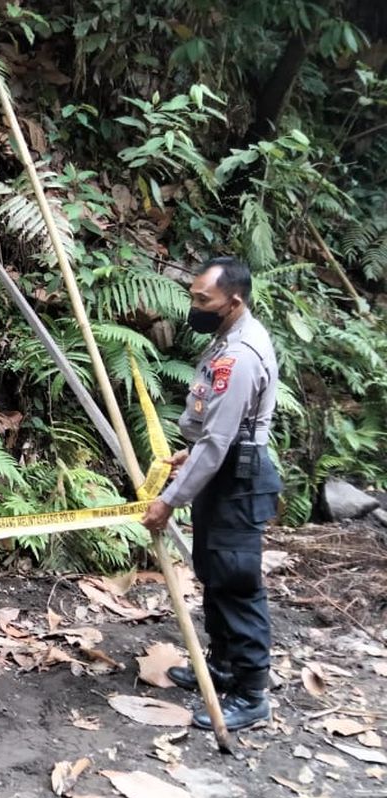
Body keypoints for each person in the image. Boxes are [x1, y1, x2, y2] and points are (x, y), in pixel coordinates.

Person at [141, 256, 282, 732]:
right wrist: (191, 460)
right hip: (218, 472)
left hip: (235, 480)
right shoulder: (226, 338)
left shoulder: (241, 355)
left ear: (233, 301)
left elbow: (221, 441)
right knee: (215, 573)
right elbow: (214, 435)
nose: (194, 306)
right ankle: (221, 666)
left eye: (204, 299)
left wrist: (169, 499)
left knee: (236, 582)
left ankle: (250, 693)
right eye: (194, 295)